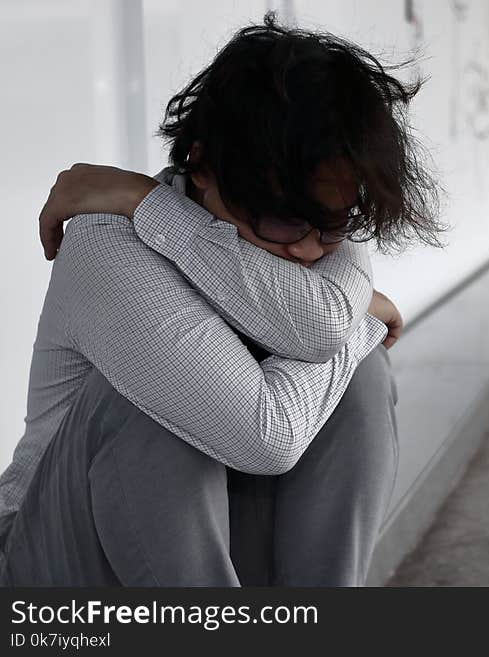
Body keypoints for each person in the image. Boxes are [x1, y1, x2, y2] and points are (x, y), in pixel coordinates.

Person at [0, 13, 441, 586]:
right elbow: (268, 436)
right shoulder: (105, 243)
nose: (310, 251)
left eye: (333, 226)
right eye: (283, 222)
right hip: (54, 566)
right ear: (204, 167)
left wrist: (146, 199)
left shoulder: (320, 228)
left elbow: (321, 328)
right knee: (145, 404)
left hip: (202, 550)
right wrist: (362, 319)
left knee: (362, 380)